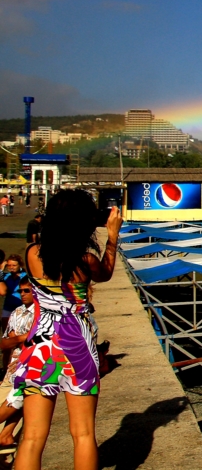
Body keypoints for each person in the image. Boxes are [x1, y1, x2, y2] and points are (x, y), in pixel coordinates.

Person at [8, 190, 121, 470]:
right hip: (77, 346)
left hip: (41, 344)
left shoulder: (32, 253)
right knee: (83, 434)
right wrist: (113, 236)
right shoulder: (86, 261)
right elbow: (105, 274)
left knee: (32, 437)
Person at [0, 277, 36, 447]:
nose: (22, 294)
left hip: (29, 371)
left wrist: (18, 338)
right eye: (20, 291)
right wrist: (23, 339)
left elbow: (40, 343)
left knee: (14, 433)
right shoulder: (16, 312)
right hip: (10, 372)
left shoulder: (43, 314)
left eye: (26, 290)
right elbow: (4, 343)